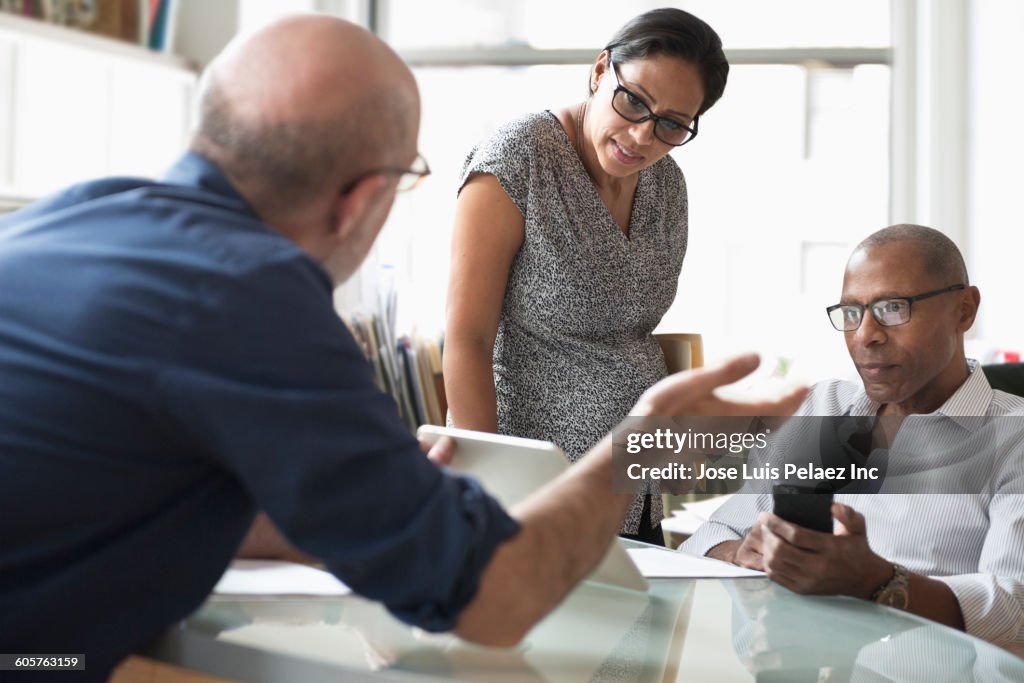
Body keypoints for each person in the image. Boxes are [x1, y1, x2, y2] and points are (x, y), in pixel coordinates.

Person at [0, 15, 806, 681]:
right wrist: (644, 443)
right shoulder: (260, 305)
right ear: (359, 201)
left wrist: (377, 507)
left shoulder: (66, 217)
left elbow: (122, 483)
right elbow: (494, 597)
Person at [444, 8, 730, 545]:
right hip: (533, 483)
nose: (642, 135)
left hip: (633, 480)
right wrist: (484, 489)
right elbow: (467, 338)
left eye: (671, 123)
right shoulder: (518, 158)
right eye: (633, 101)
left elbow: (632, 332)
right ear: (602, 71)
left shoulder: (666, 184)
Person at [682, 224, 1024, 653]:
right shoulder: (820, 406)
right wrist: (743, 552)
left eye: (893, 308)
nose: (865, 335)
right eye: (851, 314)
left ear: (964, 309)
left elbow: (1014, 607)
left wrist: (877, 581)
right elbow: (709, 534)